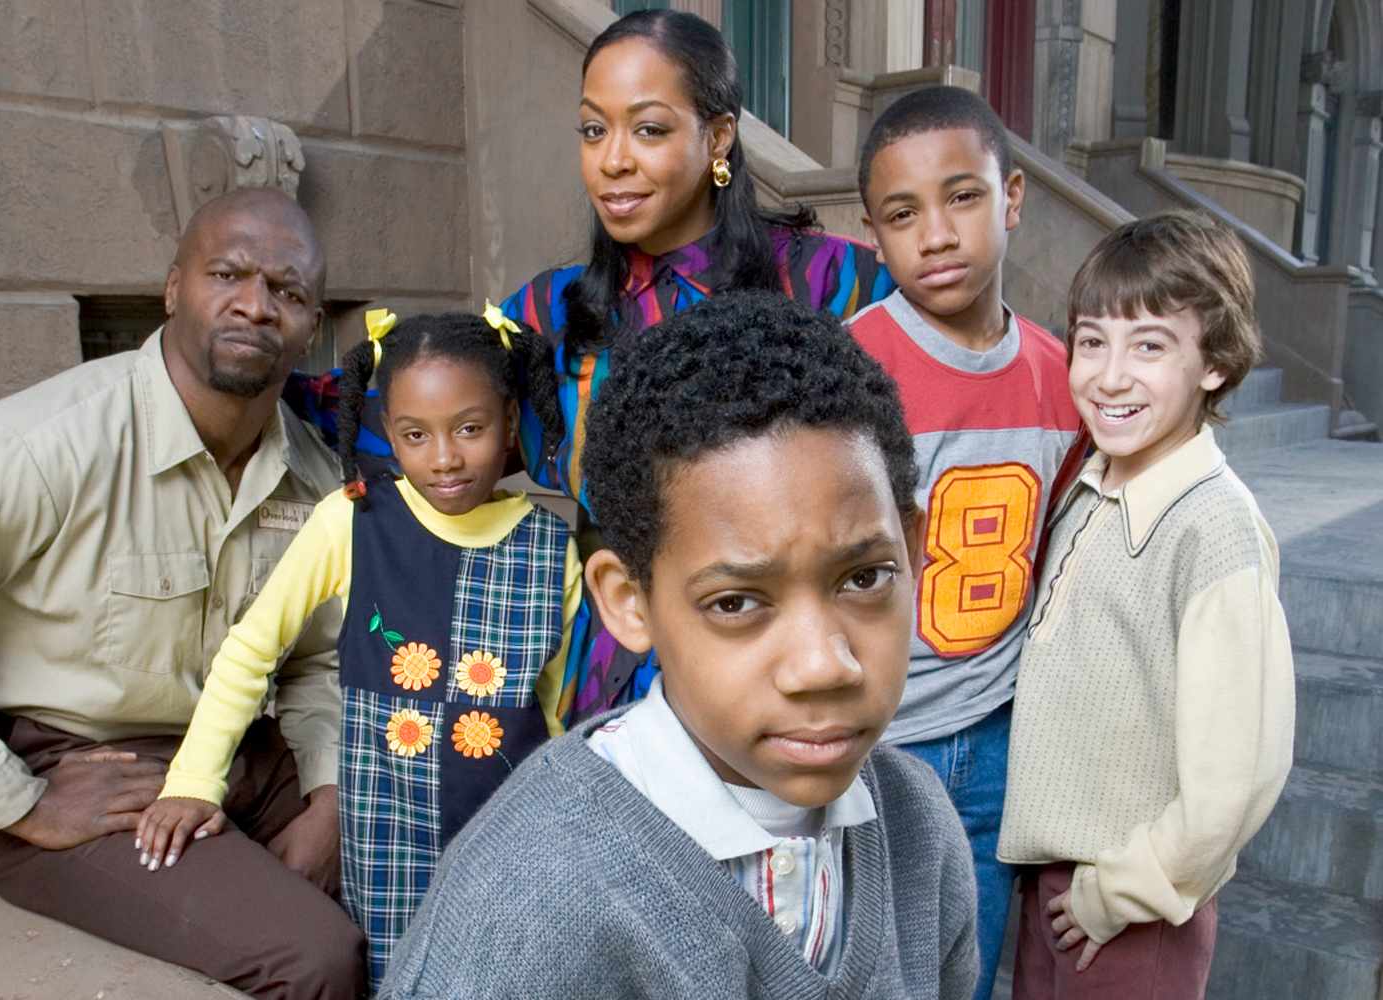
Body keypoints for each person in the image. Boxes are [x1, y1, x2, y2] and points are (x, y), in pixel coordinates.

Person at [379, 291, 978, 1000]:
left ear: (913, 549)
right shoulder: (524, 911)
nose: (823, 666)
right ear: (629, 602)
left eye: (865, 578)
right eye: (736, 602)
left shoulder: (918, 826)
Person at [0, 188, 366, 998]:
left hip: (239, 753)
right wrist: (18, 801)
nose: (256, 304)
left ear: (312, 322)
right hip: (81, 765)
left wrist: (330, 799)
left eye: (286, 290)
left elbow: (319, 661)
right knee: (313, 960)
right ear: (173, 288)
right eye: (228, 274)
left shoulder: (314, 478)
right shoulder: (44, 447)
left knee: (428, 868)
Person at [136, 307, 581, 991]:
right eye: (415, 434)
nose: (445, 458)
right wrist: (195, 780)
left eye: (470, 428)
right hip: (387, 836)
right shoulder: (352, 519)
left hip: (514, 837)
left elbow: (555, 711)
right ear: (387, 431)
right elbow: (251, 650)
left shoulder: (551, 548)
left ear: (510, 417)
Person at [492, 9, 896, 724]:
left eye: (648, 129)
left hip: (786, 663)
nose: (613, 160)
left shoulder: (835, 285)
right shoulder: (550, 312)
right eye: (593, 130)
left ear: (718, 137)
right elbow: (410, 419)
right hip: (613, 671)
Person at [997, 212, 1294, 998]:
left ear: (1215, 363)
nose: (1110, 376)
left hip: (1131, 907)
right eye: (1092, 342)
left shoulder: (1213, 526)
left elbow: (1238, 778)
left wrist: (1120, 892)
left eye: (1150, 347)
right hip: (1056, 882)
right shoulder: (1088, 486)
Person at [846, 84, 1084, 997]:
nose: (937, 235)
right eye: (903, 214)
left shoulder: (1062, 380)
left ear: (1011, 197)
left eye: (963, 197)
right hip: (876, 735)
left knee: (965, 968)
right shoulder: (852, 369)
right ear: (873, 233)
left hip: (997, 735)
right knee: (860, 963)